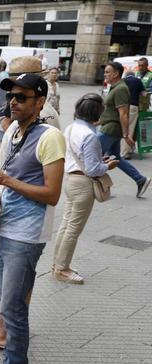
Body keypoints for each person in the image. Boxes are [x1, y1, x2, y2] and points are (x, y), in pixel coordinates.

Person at [0, 72, 65, 364]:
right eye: (12, 96)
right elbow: (9, 169)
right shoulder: (12, 128)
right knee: (5, 302)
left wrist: (4, 179)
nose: (13, 102)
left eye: (22, 97)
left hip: (27, 234)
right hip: (5, 225)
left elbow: (52, 194)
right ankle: (9, 363)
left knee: (14, 307)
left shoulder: (50, 137)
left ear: (40, 102)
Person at [51, 94, 118, 284]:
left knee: (66, 225)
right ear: (96, 113)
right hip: (83, 184)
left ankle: (58, 265)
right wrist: (109, 166)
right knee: (73, 228)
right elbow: (93, 168)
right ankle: (62, 269)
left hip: (71, 180)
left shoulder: (71, 128)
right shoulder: (90, 136)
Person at [98, 61, 150, 198]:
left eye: (108, 72)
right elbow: (111, 111)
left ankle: (102, 188)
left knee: (93, 155)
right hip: (110, 126)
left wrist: (126, 135)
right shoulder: (115, 87)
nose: (105, 74)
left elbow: (123, 113)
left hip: (111, 129)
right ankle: (140, 180)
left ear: (116, 74)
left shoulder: (121, 89)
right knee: (116, 158)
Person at [120, 70, 143, 159]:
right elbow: (143, 94)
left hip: (122, 106)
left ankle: (122, 150)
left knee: (123, 128)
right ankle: (124, 153)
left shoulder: (123, 81)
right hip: (133, 107)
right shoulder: (137, 81)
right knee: (130, 129)